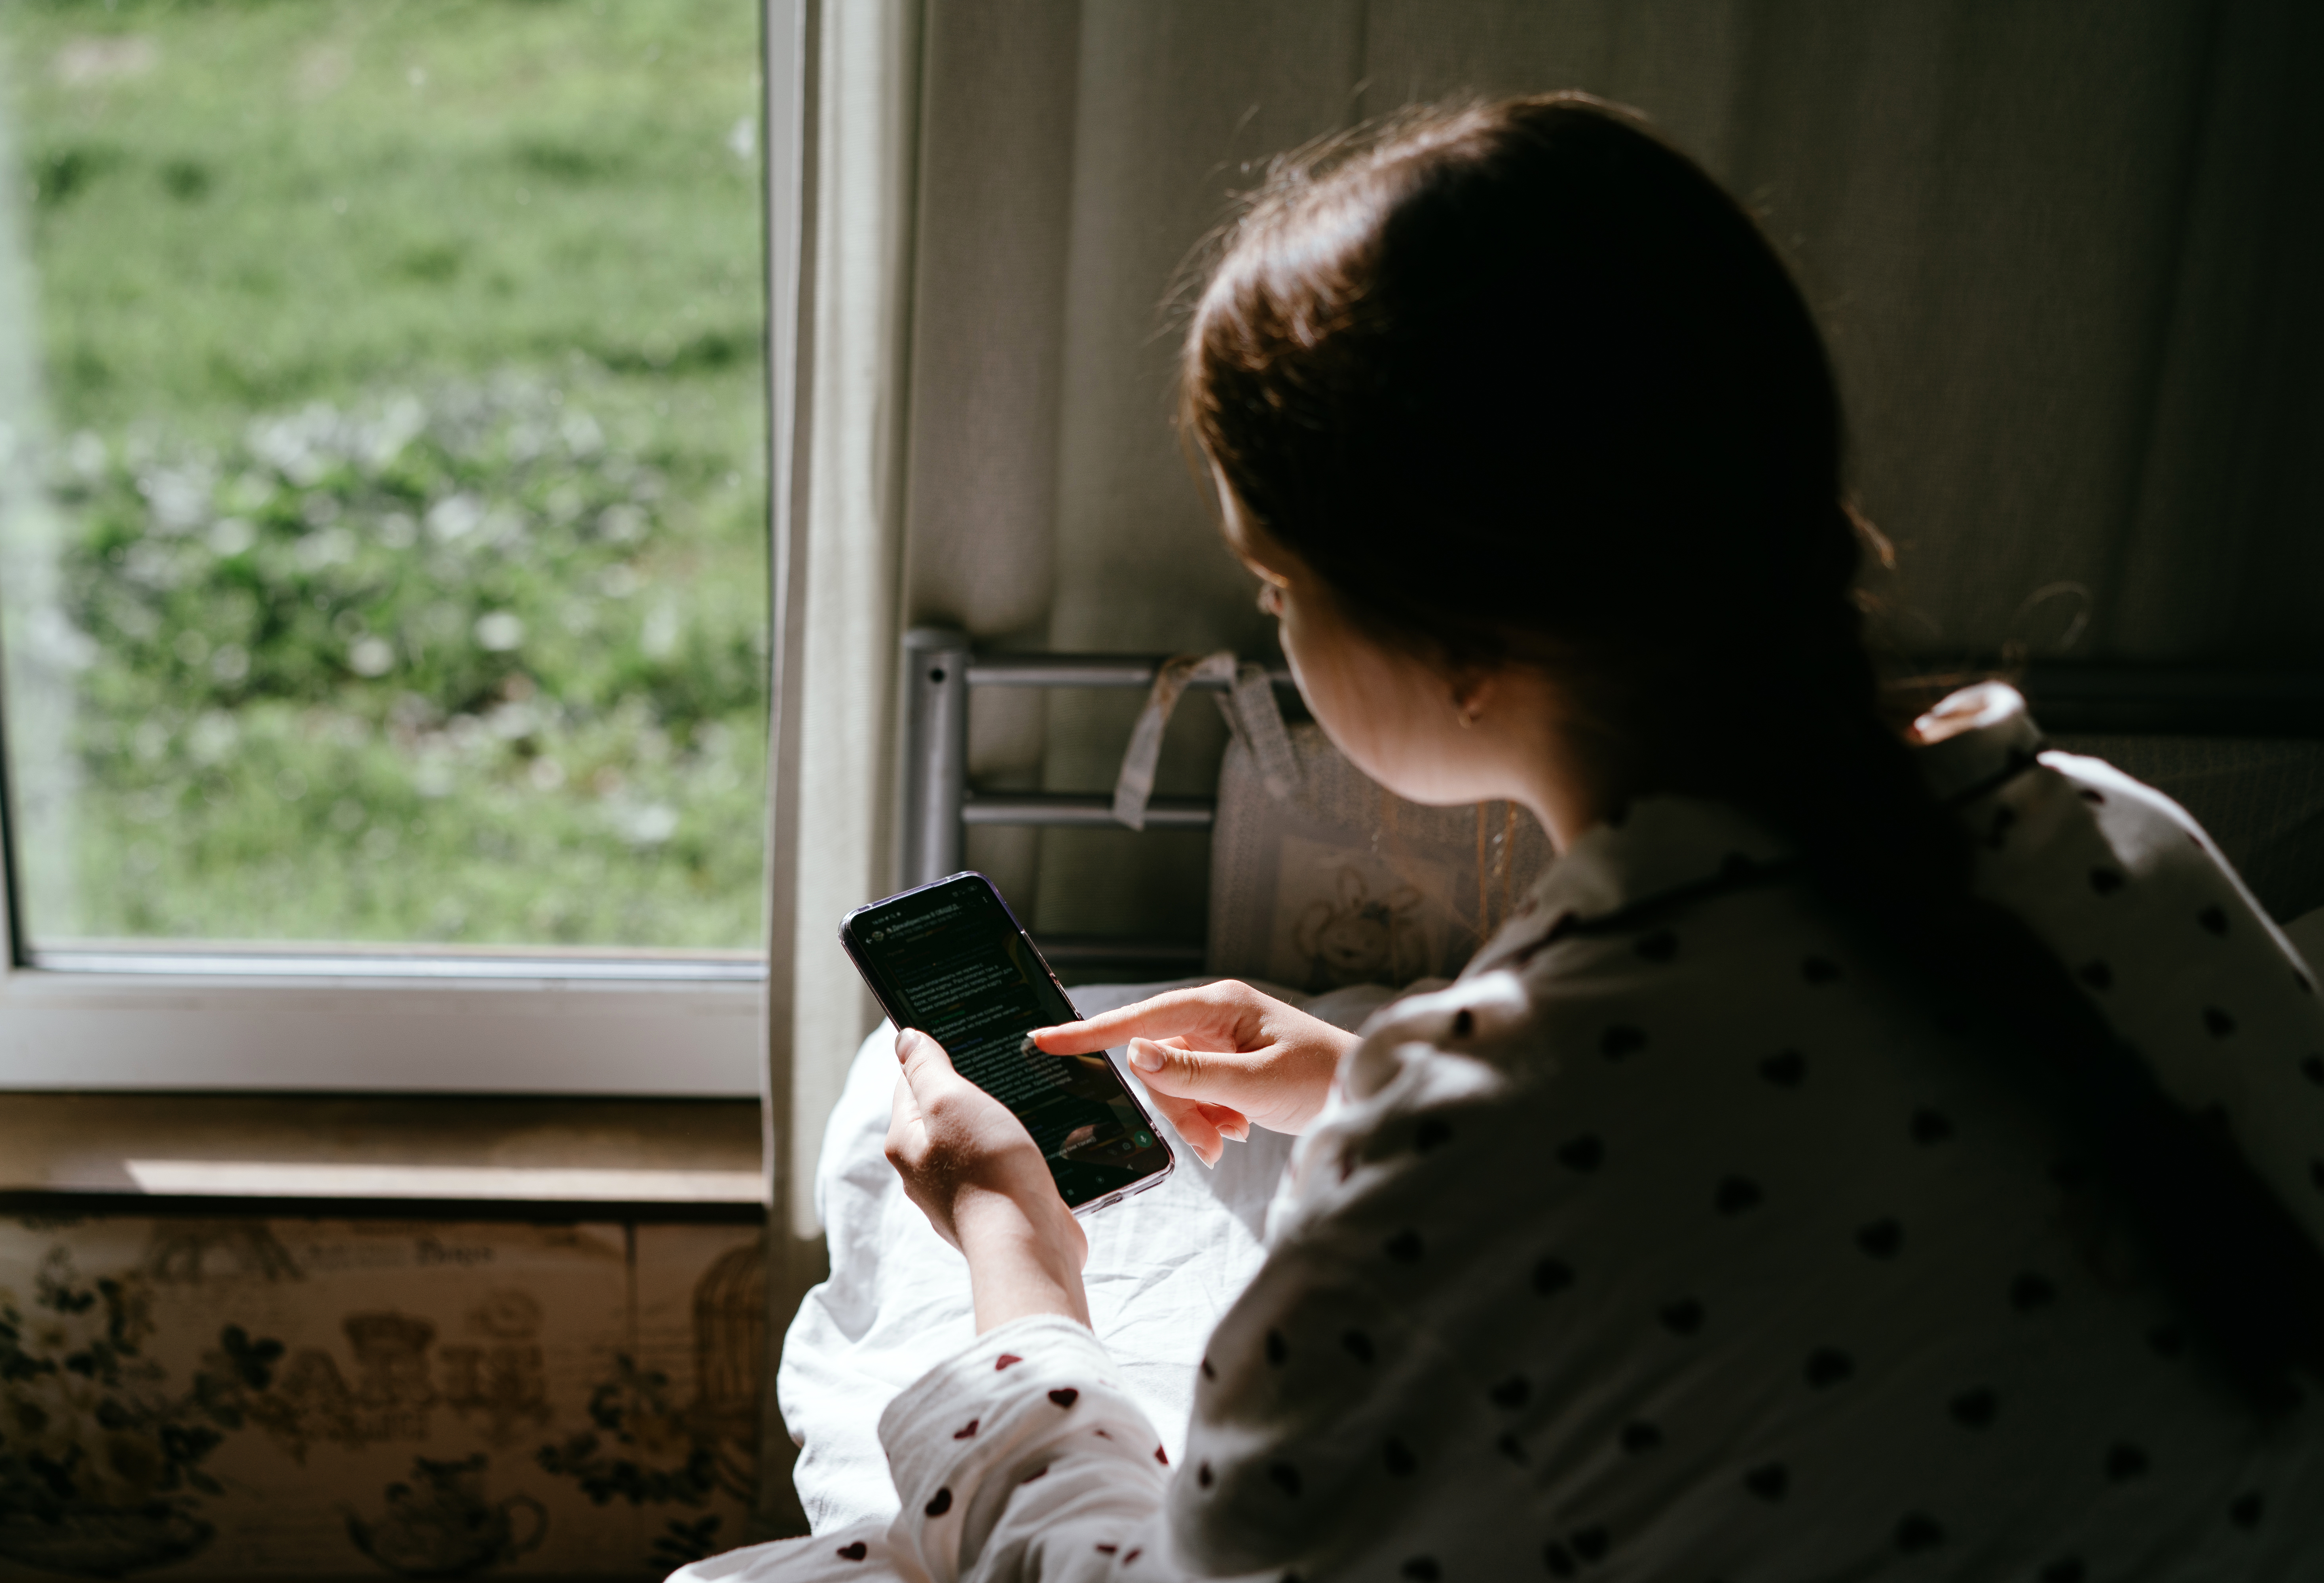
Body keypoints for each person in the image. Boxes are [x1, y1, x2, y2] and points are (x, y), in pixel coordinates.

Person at [692, 94, 2324, 1582]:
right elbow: (1811, 1158)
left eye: (1278, 585)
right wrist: (1358, 1075)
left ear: (1458, 633)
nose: (1271, 628)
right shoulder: (2126, 846)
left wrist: (1016, 1265)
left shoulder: (1482, 1149)